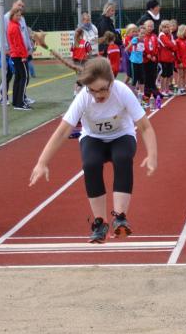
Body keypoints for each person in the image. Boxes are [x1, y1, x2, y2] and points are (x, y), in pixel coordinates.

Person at [29, 57, 157, 243]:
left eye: (103, 89)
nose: (98, 95)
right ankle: (100, 223)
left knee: (122, 158)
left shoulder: (122, 91)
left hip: (122, 136)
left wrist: (152, 155)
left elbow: (145, 127)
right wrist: (42, 162)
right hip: (93, 138)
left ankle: (120, 217)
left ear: (111, 82)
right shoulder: (84, 96)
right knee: (90, 164)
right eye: (93, 90)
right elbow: (63, 131)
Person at [7, 6, 31, 111]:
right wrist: (23, 56)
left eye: (20, 15)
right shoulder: (14, 27)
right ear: (12, 15)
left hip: (15, 55)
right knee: (24, 77)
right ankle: (20, 103)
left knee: (18, 78)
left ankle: (16, 101)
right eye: (17, 15)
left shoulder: (12, 25)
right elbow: (18, 43)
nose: (19, 17)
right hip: (18, 55)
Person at [142, 19, 160, 108]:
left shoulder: (154, 36)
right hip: (145, 60)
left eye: (151, 26)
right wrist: (147, 55)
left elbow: (156, 47)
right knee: (146, 76)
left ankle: (153, 91)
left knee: (153, 75)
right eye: (148, 26)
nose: (150, 28)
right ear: (145, 27)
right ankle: (147, 93)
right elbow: (142, 47)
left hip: (153, 59)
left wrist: (154, 55)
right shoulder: (143, 36)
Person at [157, 20, 177, 98]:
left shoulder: (170, 35)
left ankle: (167, 89)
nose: (166, 28)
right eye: (164, 27)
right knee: (164, 75)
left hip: (170, 58)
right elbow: (169, 44)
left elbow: (174, 45)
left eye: (167, 27)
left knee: (169, 75)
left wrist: (173, 46)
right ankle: (162, 90)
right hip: (163, 58)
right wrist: (173, 46)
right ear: (161, 28)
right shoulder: (161, 35)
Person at [126, 25, 145, 101]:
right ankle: (132, 95)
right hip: (134, 61)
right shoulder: (135, 39)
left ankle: (142, 94)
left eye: (144, 33)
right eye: (141, 33)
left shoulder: (143, 40)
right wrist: (130, 52)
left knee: (142, 78)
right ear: (138, 33)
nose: (142, 35)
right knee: (134, 78)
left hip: (140, 61)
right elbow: (128, 47)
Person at [175, 24, 186, 96]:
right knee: (180, 75)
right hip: (180, 61)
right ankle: (178, 89)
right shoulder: (177, 41)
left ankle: (183, 88)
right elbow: (177, 52)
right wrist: (179, 61)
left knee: (184, 75)